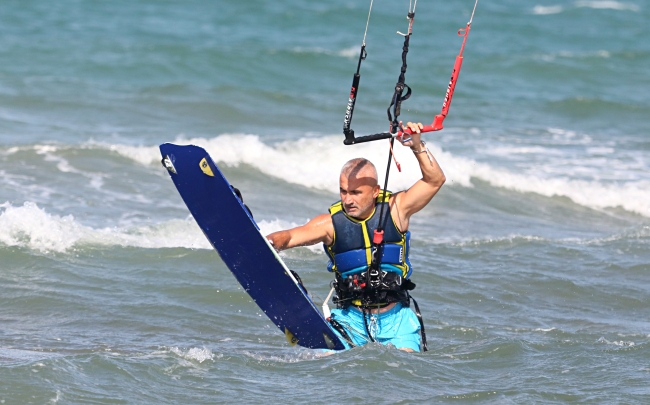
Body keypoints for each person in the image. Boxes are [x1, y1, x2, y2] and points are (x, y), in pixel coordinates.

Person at [266, 122, 446, 352]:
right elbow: (289, 237)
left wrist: (417, 145)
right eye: (343, 191)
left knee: (402, 374)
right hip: (349, 322)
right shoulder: (330, 224)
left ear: (375, 191)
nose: (348, 200)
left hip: (396, 321)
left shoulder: (396, 210)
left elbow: (434, 180)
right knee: (326, 368)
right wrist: (268, 244)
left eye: (355, 192)